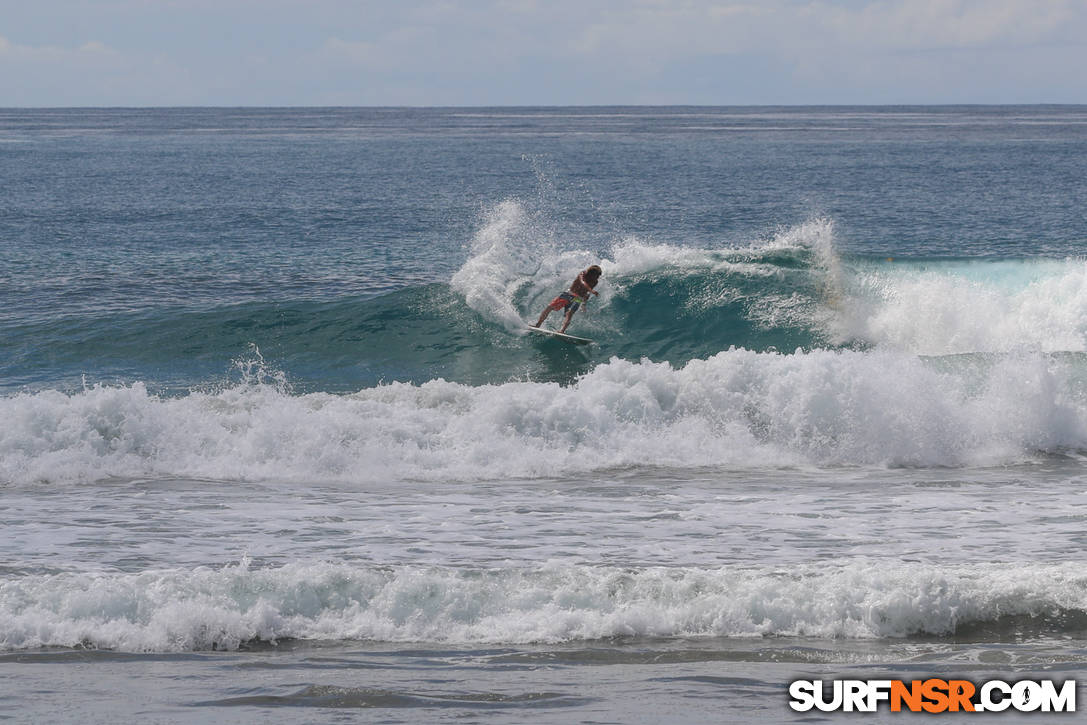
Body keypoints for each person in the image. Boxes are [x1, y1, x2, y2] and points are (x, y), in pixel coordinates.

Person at [532, 265, 602, 333]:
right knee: (549, 307)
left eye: (598, 276)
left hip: (578, 298)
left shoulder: (595, 282)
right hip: (568, 294)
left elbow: (586, 293)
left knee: (569, 313)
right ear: (591, 273)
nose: (597, 277)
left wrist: (583, 304)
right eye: (597, 275)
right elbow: (582, 283)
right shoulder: (583, 273)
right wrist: (591, 291)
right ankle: (538, 324)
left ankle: (562, 331)